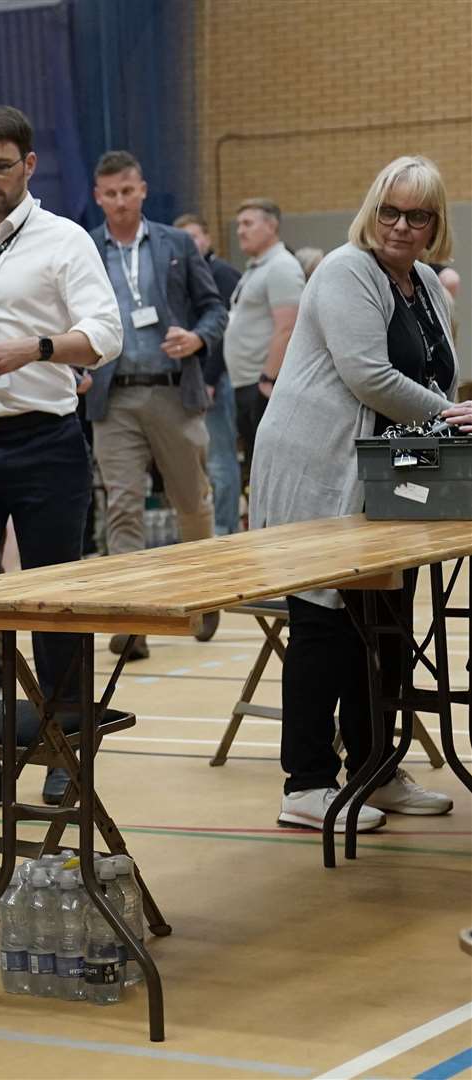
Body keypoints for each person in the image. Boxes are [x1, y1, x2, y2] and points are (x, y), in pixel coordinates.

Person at [251, 155, 468, 831]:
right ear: (371, 212)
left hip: (388, 473)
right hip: (316, 469)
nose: (401, 226)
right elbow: (368, 376)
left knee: (387, 625)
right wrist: (451, 414)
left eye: (417, 215)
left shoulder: (427, 282)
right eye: (390, 211)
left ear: (435, 224)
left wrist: (446, 413)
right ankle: (306, 784)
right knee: (324, 625)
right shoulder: (346, 269)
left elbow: (442, 374)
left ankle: (374, 769)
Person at [0, 104, 121, 814]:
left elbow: (106, 333)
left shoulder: (63, 241)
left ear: (28, 165)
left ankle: (65, 751)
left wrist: (36, 349)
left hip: (45, 441)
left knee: (53, 605)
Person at [87, 152, 227, 661]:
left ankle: (205, 593)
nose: (120, 201)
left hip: (173, 390)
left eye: (128, 191)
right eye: (110, 193)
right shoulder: (85, 247)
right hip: (114, 395)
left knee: (191, 501)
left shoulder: (177, 243)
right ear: (97, 196)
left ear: (142, 189)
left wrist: (197, 337)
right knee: (122, 506)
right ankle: (131, 619)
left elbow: (215, 307)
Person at [224, 197, 304, 490]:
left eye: (248, 223)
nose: (240, 231)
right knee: (256, 470)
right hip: (247, 382)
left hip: (265, 386)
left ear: (271, 226)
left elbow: (289, 327)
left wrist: (268, 379)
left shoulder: (281, 266)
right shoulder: (255, 268)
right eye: (239, 224)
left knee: (272, 472)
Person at [175, 212, 244, 535]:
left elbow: (226, 330)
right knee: (203, 460)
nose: (190, 244)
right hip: (194, 381)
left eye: (195, 237)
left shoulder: (222, 273)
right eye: (183, 240)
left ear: (208, 238)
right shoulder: (184, 275)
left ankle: (225, 528)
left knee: (221, 459)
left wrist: (211, 378)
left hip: (218, 379)